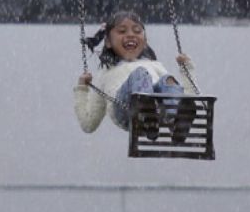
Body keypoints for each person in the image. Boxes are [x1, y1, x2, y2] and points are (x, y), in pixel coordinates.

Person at [74, 10, 197, 143]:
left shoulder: (154, 65)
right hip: (125, 109)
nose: (131, 35)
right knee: (140, 74)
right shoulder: (106, 74)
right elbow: (88, 124)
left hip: (157, 110)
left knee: (169, 80)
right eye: (122, 31)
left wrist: (187, 70)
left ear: (144, 41)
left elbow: (187, 95)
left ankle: (176, 119)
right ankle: (146, 113)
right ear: (108, 42)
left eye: (137, 31)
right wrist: (82, 87)